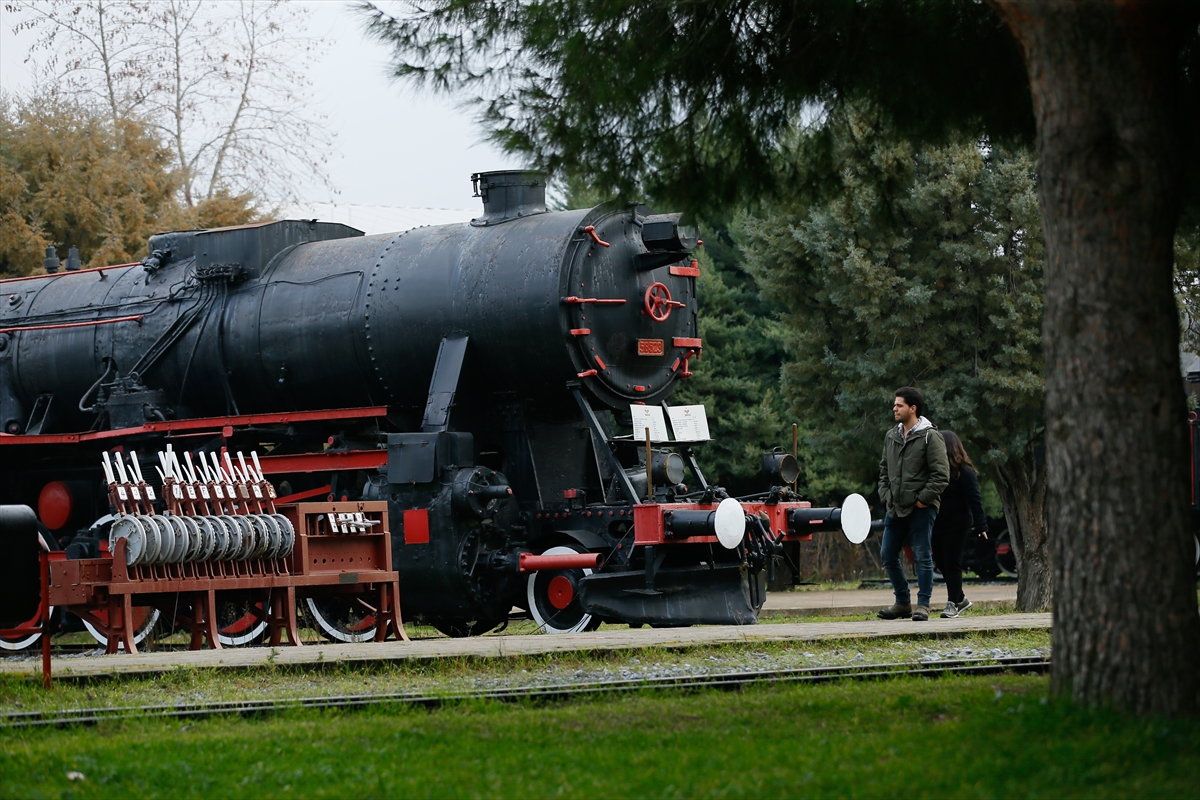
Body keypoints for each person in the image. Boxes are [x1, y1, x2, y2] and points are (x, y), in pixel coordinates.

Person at [877, 387, 949, 622]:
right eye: (895, 405)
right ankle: (902, 603)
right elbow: (883, 471)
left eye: (899, 405)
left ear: (913, 408)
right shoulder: (891, 436)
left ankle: (923, 605)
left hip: (921, 508)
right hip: (895, 506)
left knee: (921, 556)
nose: (894, 408)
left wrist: (922, 500)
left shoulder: (930, 436)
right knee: (887, 554)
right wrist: (886, 495)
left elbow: (941, 475)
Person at [932, 431, 989, 618]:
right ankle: (961, 598)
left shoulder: (964, 471)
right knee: (940, 561)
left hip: (958, 524)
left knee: (952, 562)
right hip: (938, 523)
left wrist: (982, 526)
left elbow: (975, 499)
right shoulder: (936, 471)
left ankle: (952, 604)